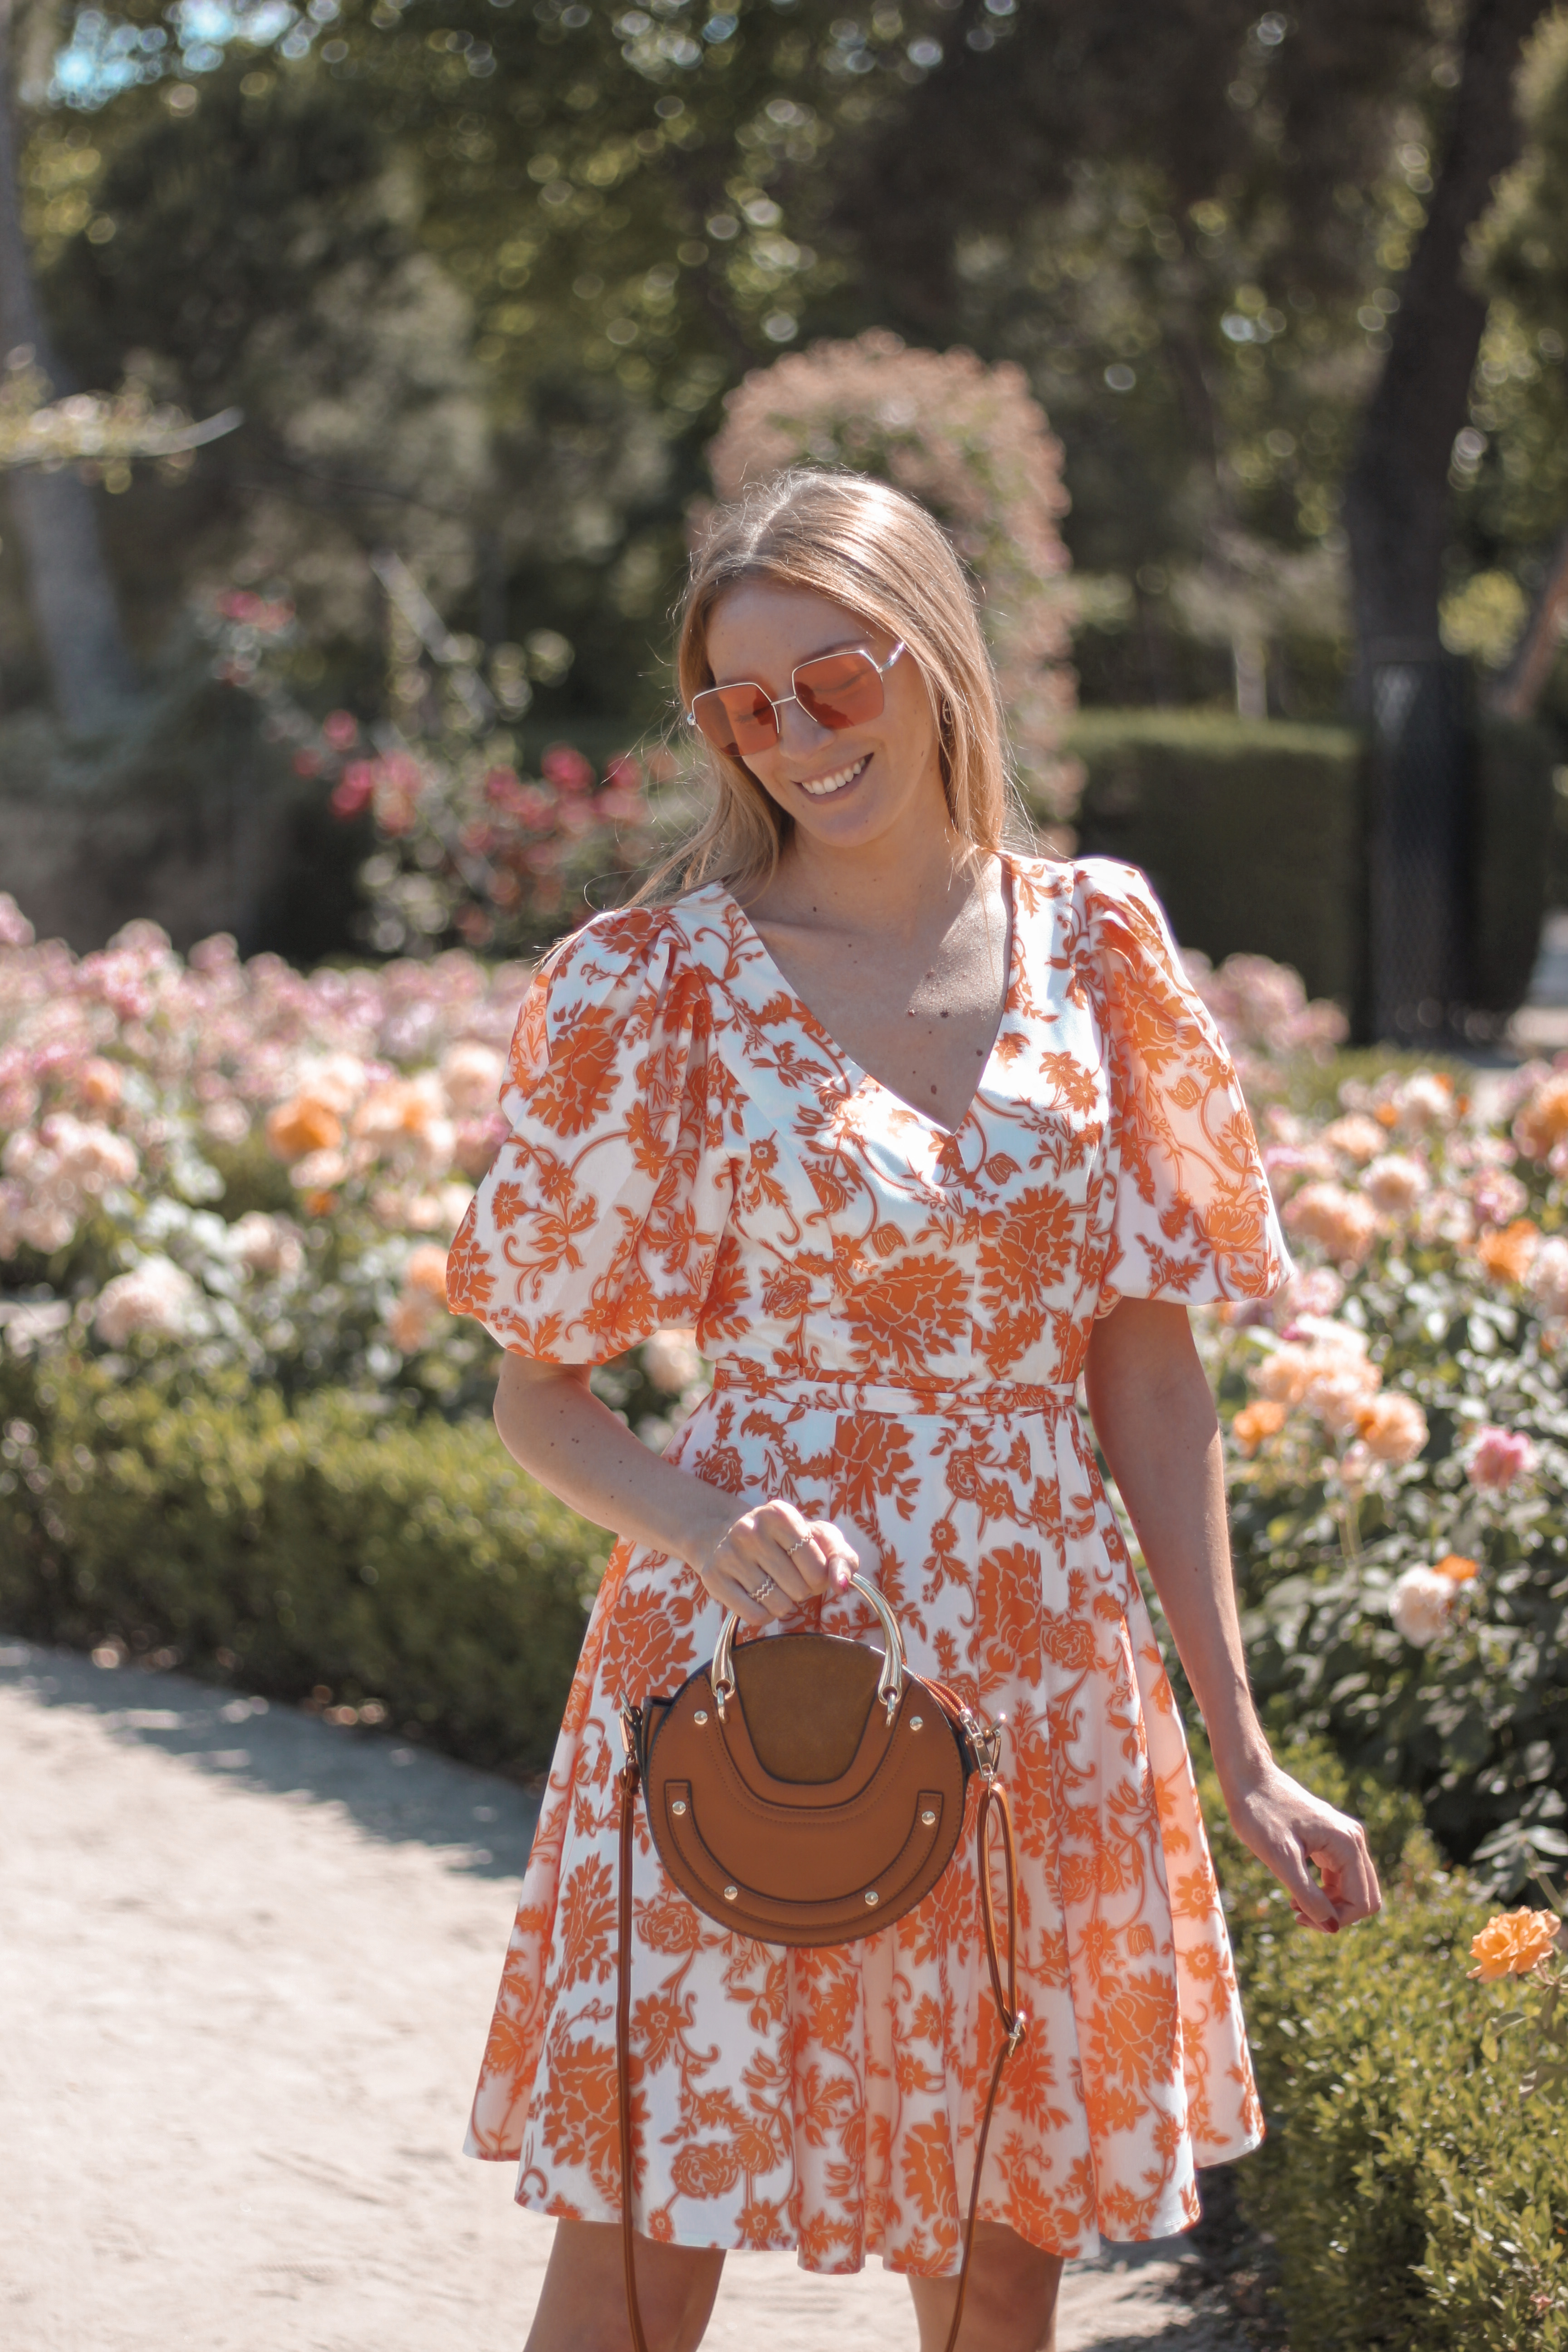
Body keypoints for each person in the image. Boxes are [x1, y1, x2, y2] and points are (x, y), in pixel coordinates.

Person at [445, 467, 1382, 2352]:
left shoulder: (1102, 946)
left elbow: (1143, 1365)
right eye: (742, 705)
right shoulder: (657, 988)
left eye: (834, 682)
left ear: (933, 657)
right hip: (751, 1665)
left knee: (995, 2244)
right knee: (649, 2228)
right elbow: (540, 1395)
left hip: (1044, 1668)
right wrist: (705, 1528)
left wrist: (1243, 1743)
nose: (793, 738)